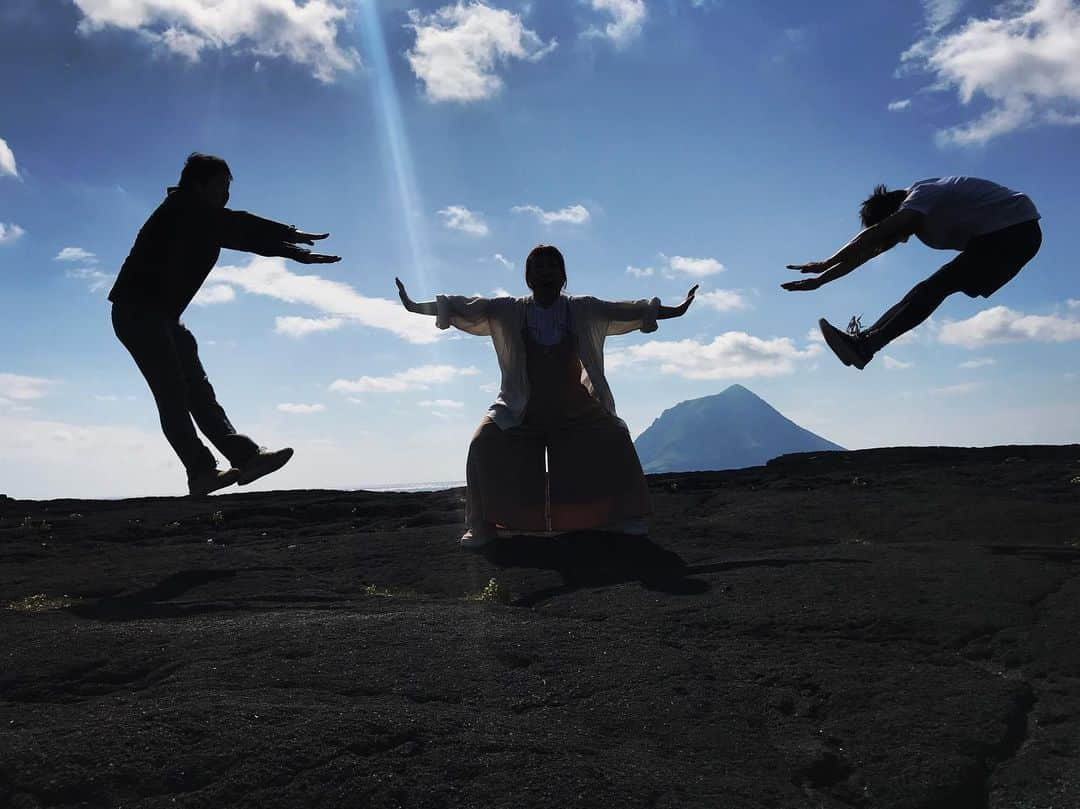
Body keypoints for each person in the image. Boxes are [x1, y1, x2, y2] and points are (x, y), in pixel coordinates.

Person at [396, 244, 697, 549]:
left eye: (552, 266)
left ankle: (622, 517)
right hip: (520, 408)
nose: (545, 273)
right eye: (538, 268)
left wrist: (677, 309)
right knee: (483, 442)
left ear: (563, 274)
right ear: (528, 277)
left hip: (576, 408)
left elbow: (625, 309)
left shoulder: (582, 307)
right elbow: (465, 307)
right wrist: (413, 305)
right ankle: (484, 525)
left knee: (614, 436)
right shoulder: (509, 309)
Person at [108, 153, 341, 496]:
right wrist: (290, 238)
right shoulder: (183, 209)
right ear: (196, 184)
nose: (226, 194)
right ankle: (201, 472)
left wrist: (290, 246)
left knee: (200, 395)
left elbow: (239, 234)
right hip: (137, 313)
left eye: (228, 187)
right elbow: (237, 226)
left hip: (165, 318)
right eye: (221, 185)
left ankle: (246, 458)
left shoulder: (201, 217)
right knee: (173, 395)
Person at [783, 176, 1042, 368]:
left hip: (1016, 233)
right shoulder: (917, 208)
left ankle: (865, 345)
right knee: (934, 287)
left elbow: (878, 235)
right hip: (1009, 237)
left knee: (936, 286)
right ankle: (864, 344)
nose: (902, 240)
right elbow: (869, 250)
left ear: (893, 213)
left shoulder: (920, 195)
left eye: (896, 231)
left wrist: (826, 262)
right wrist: (820, 281)